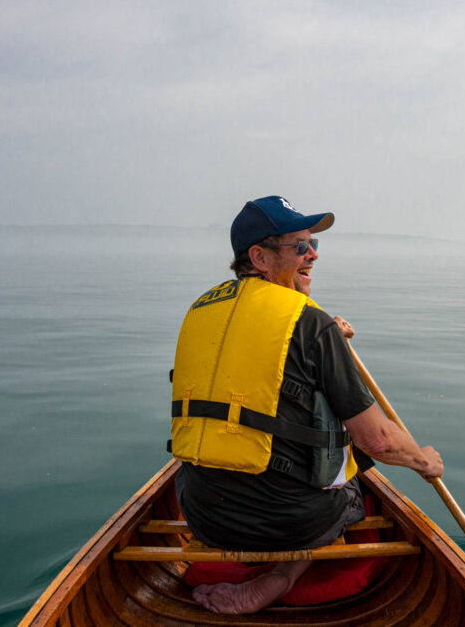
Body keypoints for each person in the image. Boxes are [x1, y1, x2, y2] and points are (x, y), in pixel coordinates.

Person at [170, 195, 443, 615]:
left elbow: (256, 353)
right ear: (259, 257)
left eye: (313, 244)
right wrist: (423, 461)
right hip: (287, 524)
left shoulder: (200, 309)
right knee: (354, 467)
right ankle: (281, 578)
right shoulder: (310, 322)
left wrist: (312, 311)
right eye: (299, 246)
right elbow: (379, 441)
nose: (312, 253)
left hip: (203, 514)